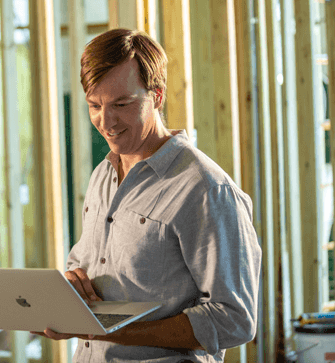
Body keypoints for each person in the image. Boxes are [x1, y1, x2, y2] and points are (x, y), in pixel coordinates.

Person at [30, 29, 262, 362]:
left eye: (121, 105)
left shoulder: (206, 189)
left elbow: (235, 320)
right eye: (94, 105)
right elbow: (90, 268)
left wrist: (114, 331)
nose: (106, 121)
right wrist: (71, 291)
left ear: (157, 96)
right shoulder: (102, 176)